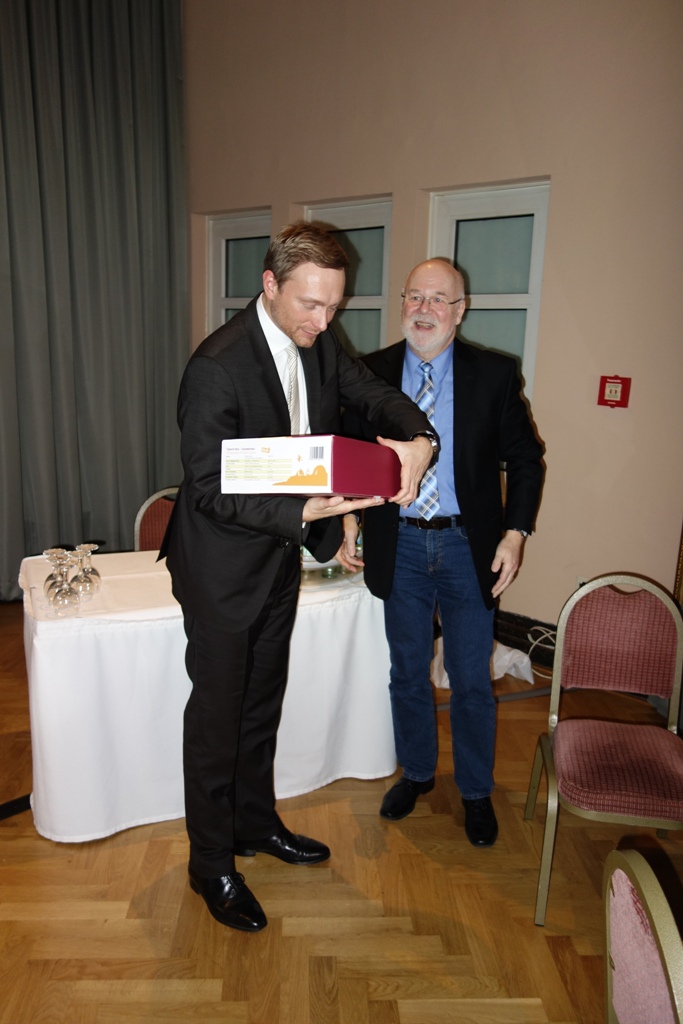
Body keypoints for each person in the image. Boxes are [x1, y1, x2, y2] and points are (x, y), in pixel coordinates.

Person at [161, 223, 435, 932]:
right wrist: (302, 510)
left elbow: (370, 392)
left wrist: (419, 439)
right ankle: (210, 863)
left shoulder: (318, 340)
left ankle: (254, 824)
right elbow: (205, 489)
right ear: (270, 285)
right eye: (310, 305)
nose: (322, 321)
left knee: (260, 705)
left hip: (280, 557)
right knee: (218, 720)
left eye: (333, 307)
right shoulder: (216, 367)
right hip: (221, 569)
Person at [345, 259, 544, 848]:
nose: (424, 309)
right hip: (399, 542)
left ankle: (476, 790)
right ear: (402, 303)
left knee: (471, 678)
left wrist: (515, 534)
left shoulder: (494, 374)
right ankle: (417, 773)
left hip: (467, 547)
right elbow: (350, 453)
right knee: (407, 672)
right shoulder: (371, 372)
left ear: (460, 311)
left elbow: (526, 459)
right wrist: (349, 517)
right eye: (415, 296)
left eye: (439, 299)